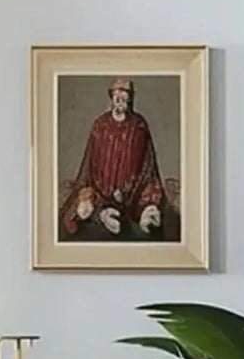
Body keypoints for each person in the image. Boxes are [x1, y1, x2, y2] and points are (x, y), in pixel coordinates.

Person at [60, 78, 166, 240]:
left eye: (124, 96)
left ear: (130, 99)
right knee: (84, 207)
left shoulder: (139, 126)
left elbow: (148, 165)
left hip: (133, 194)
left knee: (150, 217)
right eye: (117, 96)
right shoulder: (100, 125)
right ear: (111, 98)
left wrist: (142, 196)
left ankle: (143, 213)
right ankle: (102, 214)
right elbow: (90, 162)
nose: (120, 100)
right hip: (101, 191)